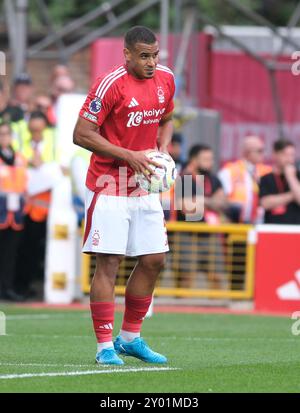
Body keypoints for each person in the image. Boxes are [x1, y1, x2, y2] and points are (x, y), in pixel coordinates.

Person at [73, 26, 175, 366]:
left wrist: (163, 145)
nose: (151, 62)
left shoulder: (166, 80)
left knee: (154, 259)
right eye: (144, 56)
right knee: (110, 262)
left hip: (144, 185)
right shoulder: (109, 85)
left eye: (155, 55)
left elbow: (168, 116)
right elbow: (81, 134)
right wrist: (128, 154)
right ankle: (104, 345)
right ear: (127, 54)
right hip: (107, 184)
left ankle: (130, 338)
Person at [14, 111, 57, 297]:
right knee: (18, 249)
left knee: (33, 251)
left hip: (42, 209)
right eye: (33, 130)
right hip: (20, 206)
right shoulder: (21, 143)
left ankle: (26, 286)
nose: (36, 133)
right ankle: (16, 286)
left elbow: (58, 170)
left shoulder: (53, 145)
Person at [174, 144, 227, 289]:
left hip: (210, 234)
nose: (210, 162)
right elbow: (188, 209)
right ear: (194, 160)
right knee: (185, 276)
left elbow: (223, 203)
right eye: (206, 159)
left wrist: (201, 200)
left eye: (211, 158)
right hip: (187, 234)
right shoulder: (184, 178)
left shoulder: (214, 179)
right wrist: (210, 201)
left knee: (217, 276)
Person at [0, 121, 27, 301]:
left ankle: (7, 287)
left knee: (10, 254)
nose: (4, 138)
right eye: (1, 134)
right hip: (1, 209)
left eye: (6, 134)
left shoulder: (19, 158)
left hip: (15, 213)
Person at [218, 135, 271, 224]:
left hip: (261, 224)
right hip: (235, 224)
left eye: (263, 150)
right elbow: (220, 199)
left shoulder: (267, 171)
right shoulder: (229, 171)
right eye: (259, 151)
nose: (263, 154)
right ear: (246, 153)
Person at [259, 139, 300, 224]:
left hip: (296, 229)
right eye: (285, 155)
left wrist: (291, 177)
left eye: (292, 155)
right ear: (275, 154)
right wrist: (293, 195)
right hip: (273, 228)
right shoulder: (266, 178)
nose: (289, 159)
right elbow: (265, 203)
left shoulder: (297, 176)